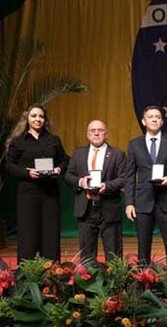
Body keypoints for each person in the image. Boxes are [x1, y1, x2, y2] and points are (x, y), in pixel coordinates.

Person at [124, 105, 167, 265]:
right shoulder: (134, 144)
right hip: (143, 202)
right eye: (150, 117)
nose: (154, 119)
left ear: (162, 121)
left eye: (157, 117)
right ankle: (142, 282)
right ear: (143, 121)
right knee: (143, 247)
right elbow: (129, 175)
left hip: (166, 201)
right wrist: (129, 203)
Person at [4, 104, 67, 262]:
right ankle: (27, 276)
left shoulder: (53, 139)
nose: (38, 119)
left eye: (41, 116)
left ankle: (52, 275)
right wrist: (27, 173)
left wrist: (59, 169)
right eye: (34, 116)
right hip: (28, 193)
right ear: (27, 119)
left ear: (45, 120)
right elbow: (8, 164)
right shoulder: (18, 141)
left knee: (50, 234)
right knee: (28, 234)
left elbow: (64, 159)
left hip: (50, 193)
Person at [64, 120, 127, 262]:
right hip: (85, 209)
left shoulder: (118, 154)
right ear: (87, 134)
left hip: (109, 209)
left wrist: (108, 186)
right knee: (87, 256)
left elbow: (124, 178)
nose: (96, 133)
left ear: (106, 134)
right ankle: (88, 282)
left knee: (114, 255)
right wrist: (81, 181)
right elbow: (68, 175)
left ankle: (114, 283)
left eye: (100, 130)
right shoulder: (78, 152)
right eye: (93, 130)